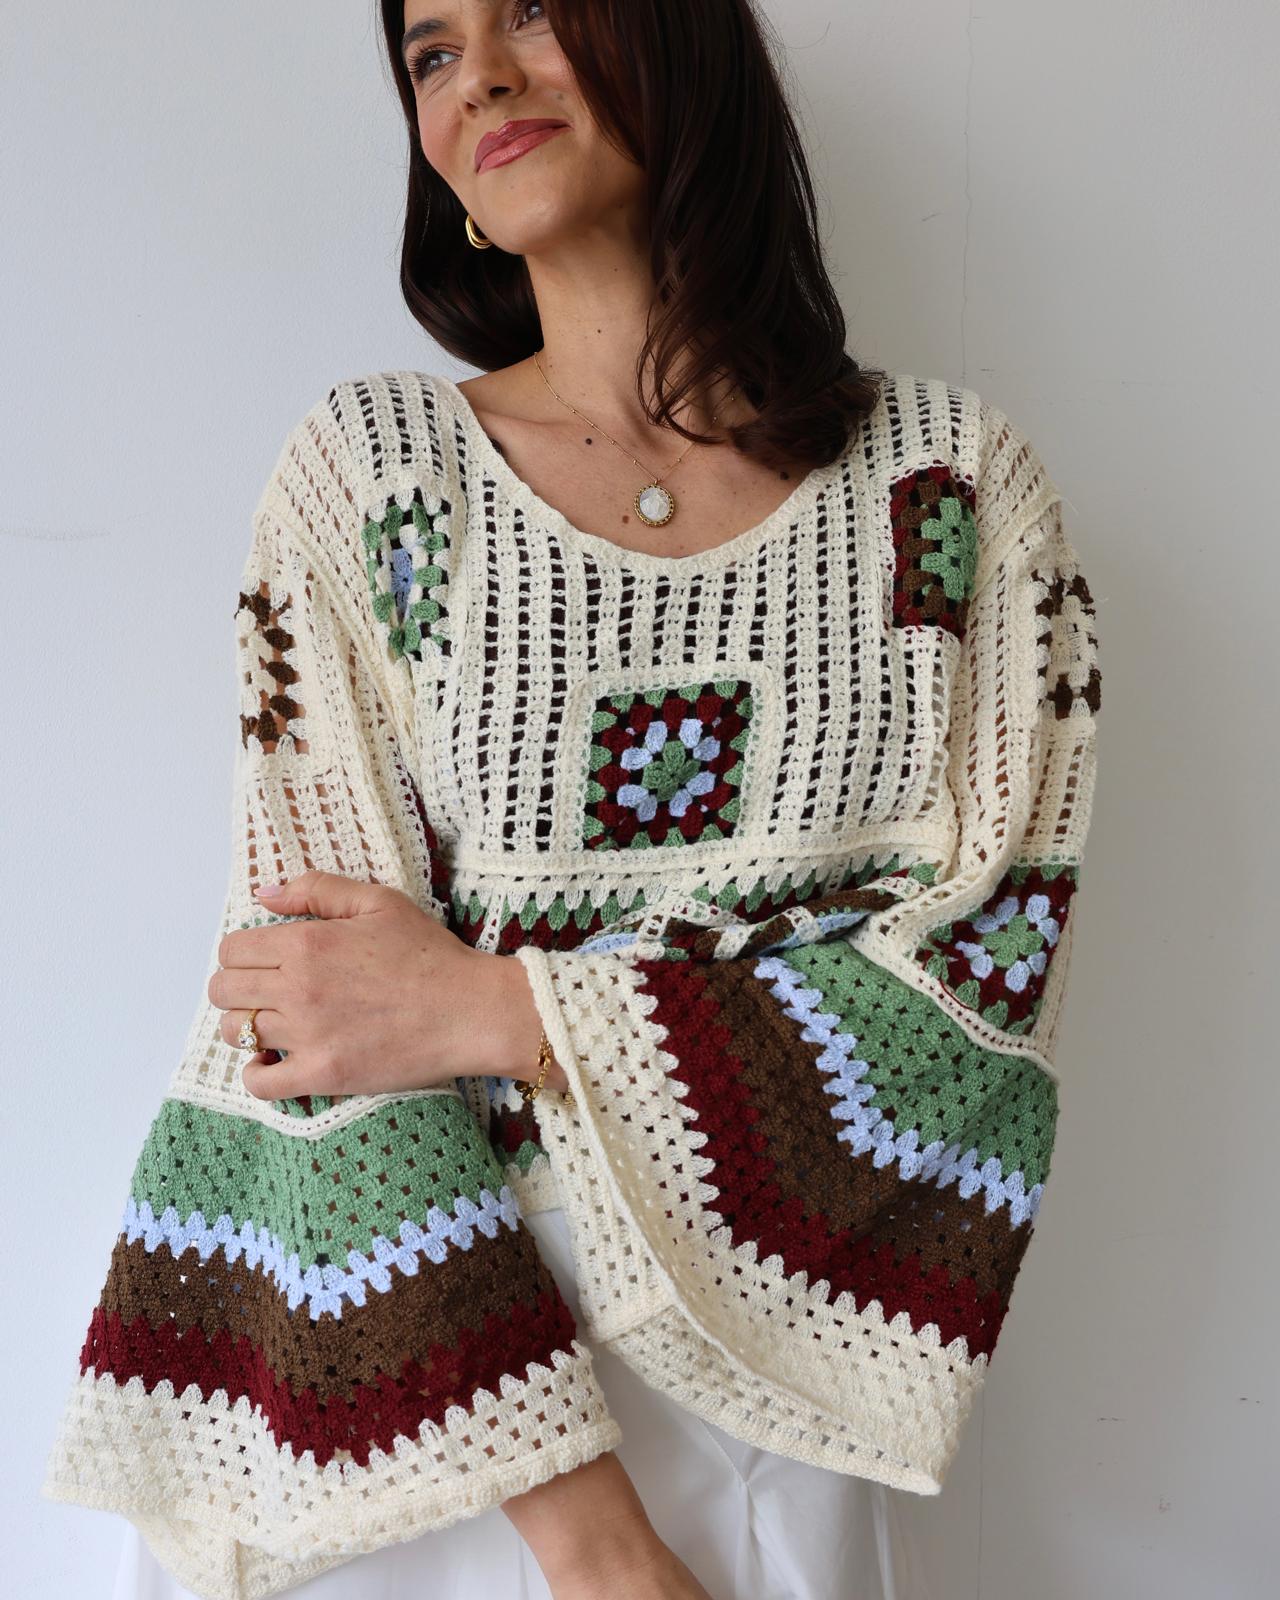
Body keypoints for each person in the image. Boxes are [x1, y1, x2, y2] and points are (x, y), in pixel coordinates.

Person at [42, 3, 1103, 1598]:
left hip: (788, 1373)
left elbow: (986, 989)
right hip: (408, 1375)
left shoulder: (947, 495)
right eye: (431, 50)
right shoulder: (375, 480)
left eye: (535, 7)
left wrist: (499, 1009)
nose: (480, 73)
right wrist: (599, 1550)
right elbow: (315, 1012)